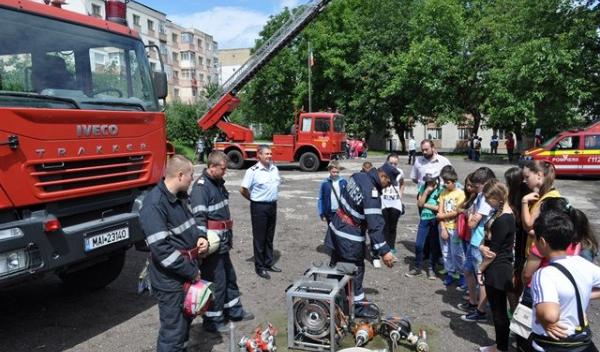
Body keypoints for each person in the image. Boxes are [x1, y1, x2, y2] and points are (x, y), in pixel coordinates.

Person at [139, 155, 209, 351]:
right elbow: (162, 250)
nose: (192, 179)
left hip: (184, 272)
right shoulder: (154, 205)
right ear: (180, 175)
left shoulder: (180, 197)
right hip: (170, 279)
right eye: (190, 175)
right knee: (173, 331)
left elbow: (192, 223)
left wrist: (200, 238)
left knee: (184, 324)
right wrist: (190, 271)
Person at [190, 151, 254, 333]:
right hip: (212, 245)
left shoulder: (217, 184)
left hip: (223, 243)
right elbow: (199, 217)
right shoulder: (201, 188)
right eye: (223, 169)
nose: (225, 172)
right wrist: (202, 241)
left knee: (229, 277)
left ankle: (234, 311)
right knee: (216, 282)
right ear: (212, 167)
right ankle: (213, 321)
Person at [324, 163, 397, 318]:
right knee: (356, 268)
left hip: (336, 226)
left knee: (337, 264)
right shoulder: (372, 194)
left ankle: (328, 298)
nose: (387, 186)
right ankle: (357, 307)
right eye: (388, 182)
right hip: (349, 235)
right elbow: (375, 226)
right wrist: (385, 252)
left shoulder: (358, 176)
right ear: (382, 175)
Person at [530, 210, 600, 352]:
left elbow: (550, 315)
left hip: (554, 343)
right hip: (581, 340)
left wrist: (545, 321)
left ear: (542, 241)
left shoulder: (544, 274)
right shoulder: (582, 263)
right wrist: (582, 294)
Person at [476, 180, 515, 352]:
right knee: (498, 311)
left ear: (498, 197)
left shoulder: (503, 219)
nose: (486, 201)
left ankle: (501, 348)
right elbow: (490, 244)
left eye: (488, 198)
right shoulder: (502, 213)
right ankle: (499, 345)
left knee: (499, 312)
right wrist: (481, 246)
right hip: (499, 267)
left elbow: (492, 253)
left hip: (497, 270)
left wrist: (480, 269)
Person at [459, 167, 496, 322]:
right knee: (468, 271)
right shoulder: (480, 195)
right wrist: (471, 215)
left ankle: (480, 312)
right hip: (474, 241)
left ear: (486, 183)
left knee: (481, 278)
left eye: (477, 186)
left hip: (480, 242)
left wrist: (471, 216)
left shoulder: (488, 198)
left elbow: (473, 223)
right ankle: (473, 302)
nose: (474, 189)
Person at [240, 145, 281, 280]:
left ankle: (268, 262)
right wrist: (253, 199)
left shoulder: (274, 168)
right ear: (259, 155)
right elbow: (243, 189)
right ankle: (260, 267)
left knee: (269, 236)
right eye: (266, 154)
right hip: (259, 207)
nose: (269, 156)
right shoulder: (252, 171)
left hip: (272, 206)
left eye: (270, 154)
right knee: (259, 238)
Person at [406, 173, 442, 279]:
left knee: (433, 245)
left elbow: (439, 207)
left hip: (435, 219)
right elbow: (419, 203)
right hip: (424, 219)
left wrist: (425, 205)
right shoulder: (424, 187)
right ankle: (418, 268)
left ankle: (431, 268)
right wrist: (426, 191)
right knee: (419, 245)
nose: (429, 182)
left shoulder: (441, 189)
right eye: (427, 181)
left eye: (431, 180)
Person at [521, 160, 560, 257]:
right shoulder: (541, 196)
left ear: (539, 175)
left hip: (539, 256)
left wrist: (524, 201)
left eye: (527, 177)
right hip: (535, 252)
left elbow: (528, 224)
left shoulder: (549, 198)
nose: (524, 181)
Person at [436, 166, 466, 286]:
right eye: (444, 182)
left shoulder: (460, 193)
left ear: (454, 181)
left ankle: (462, 273)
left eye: (448, 182)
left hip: (455, 227)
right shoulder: (443, 193)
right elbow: (440, 211)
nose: (445, 185)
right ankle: (450, 272)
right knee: (446, 251)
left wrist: (441, 216)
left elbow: (458, 211)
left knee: (457, 253)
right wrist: (443, 227)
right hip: (444, 226)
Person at [381, 154, 405, 262]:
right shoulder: (382, 172)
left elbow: (402, 183)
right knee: (384, 226)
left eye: (395, 163)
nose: (393, 165)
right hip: (384, 202)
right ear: (386, 162)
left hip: (395, 203)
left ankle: (392, 247)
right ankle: (385, 248)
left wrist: (400, 194)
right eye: (391, 163)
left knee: (393, 226)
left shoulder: (400, 172)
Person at [318, 160, 347, 225]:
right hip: (329, 212)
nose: (335, 174)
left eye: (337, 172)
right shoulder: (325, 183)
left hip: (341, 211)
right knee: (331, 229)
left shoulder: (344, 182)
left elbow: (347, 198)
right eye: (333, 172)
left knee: (340, 229)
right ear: (329, 170)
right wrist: (321, 213)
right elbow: (321, 199)